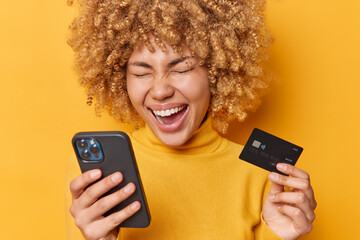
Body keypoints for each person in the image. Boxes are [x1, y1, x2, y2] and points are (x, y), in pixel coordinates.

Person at [65, 0, 317, 239]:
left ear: (217, 70)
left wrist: (279, 237)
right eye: (141, 72)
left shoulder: (261, 176)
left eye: (181, 69)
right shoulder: (97, 177)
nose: (160, 90)